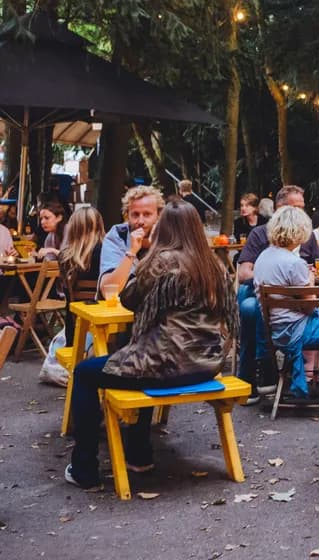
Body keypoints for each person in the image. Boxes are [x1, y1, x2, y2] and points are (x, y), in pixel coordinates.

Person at [65, 200, 237, 491]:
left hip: (165, 364)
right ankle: (139, 453)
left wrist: (137, 255)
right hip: (208, 365)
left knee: (86, 372)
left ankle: (84, 469)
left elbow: (129, 297)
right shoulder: (215, 265)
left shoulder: (161, 261)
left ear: (164, 228)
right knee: (138, 355)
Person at [253, 205, 319, 399]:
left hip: (276, 331)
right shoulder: (293, 263)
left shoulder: (263, 258)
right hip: (298, 332)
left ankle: (314, 375)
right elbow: (309, 306)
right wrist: (311, 281)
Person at [236, 185, 305, 401]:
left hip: (297, 295)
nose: (299, 214)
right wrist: (276, 273)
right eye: (294, 208)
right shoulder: (260, 234)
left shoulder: (306, 234)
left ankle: (273, 370)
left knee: (252, 308)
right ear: (278, 209)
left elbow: (317, 264)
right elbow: (244, 273)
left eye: (302, 208)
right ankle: (258, 369)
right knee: (250, 307)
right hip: (263, 294)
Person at [99, 185, 165, 298]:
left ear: (159, 216)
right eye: (135, 215)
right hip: (123, 311)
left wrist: (154, 248)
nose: (140, 221)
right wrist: (132, 252)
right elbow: (108, 292)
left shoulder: (169, 236)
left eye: (147, 214)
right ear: (127, 216)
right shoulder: (117, 236)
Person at [58, 206, 105, 345]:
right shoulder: (107, 253)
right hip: (105, 326)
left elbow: (66, 295)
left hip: (75, 331)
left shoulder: (65, 257)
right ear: (100, 226)